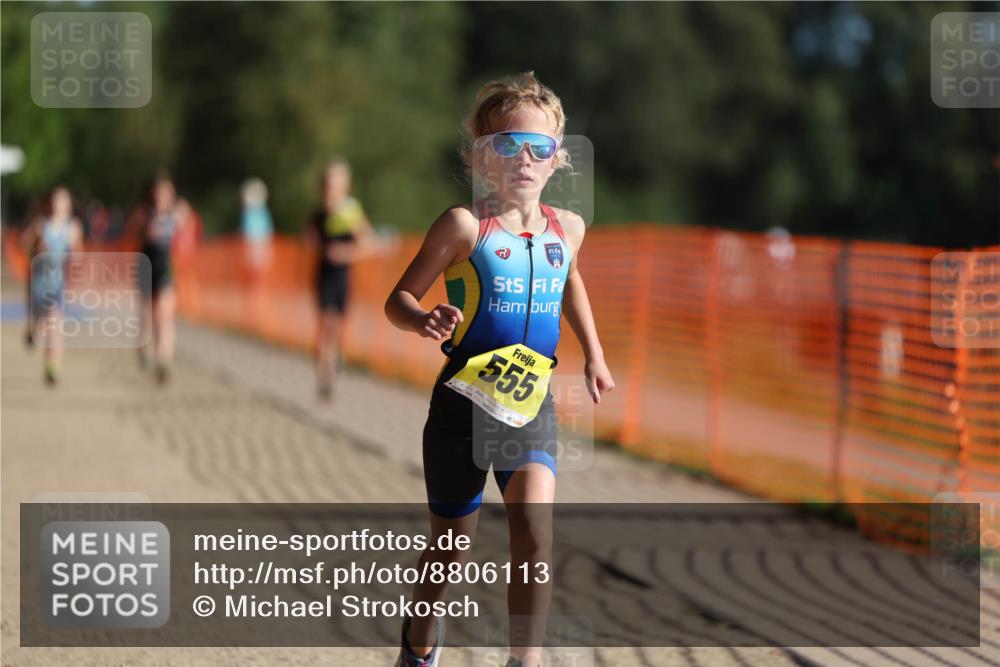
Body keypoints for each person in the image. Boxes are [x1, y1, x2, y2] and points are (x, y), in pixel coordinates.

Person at [384, 72, 615, 667]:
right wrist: (420, 320)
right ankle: (417, 650)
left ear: (557, 158)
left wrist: (594, 351)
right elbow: (398, 299)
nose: (524, 159)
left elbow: (570, 280)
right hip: (462, 403)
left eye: (539, 148)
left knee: (536, 531)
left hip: (529, 401)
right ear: (480, 154)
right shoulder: (464, 226)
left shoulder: (570, 228)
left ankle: (524, 661)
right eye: (507, 144)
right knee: (450, 551)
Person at [307, 158, 378, 401]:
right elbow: (308, 240)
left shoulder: (350, 213)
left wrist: (344, 253)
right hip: (323, 275)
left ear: (344, 186)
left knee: (336, 327)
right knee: (326, 323)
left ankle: (334, 360)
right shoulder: (318, 214)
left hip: (342, 276)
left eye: (335, 184)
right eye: (327, 184)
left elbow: (369, 244)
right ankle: (324, 376)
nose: (330, 189)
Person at [128, 172, 190, 385]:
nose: (161, 196)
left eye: (165, 192)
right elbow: (133, 231)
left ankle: (164, 361)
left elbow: (187, 226)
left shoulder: (178, 211)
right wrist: (146, 228)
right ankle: (144, 351)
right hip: (145, 267)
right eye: (157, 192)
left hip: (166, 268)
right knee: (146, 316)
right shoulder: (143, 213)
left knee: (164, 317)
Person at [21, 186, 84, 384]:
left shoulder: (72, 227)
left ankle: (52, 366)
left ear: (69, 205)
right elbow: (24, 242)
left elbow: (78, 254)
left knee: (54, 324)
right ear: (50, 204)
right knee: (40, 325)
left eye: (63, 200)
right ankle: (32, 332)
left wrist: (72, 256)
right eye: (56, 200)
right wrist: (36, 247)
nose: (59, 204)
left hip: (58, 284)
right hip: (38, 282)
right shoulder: (41, 225)